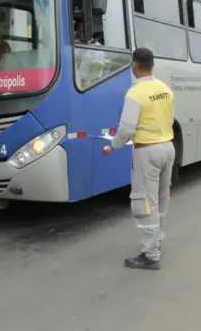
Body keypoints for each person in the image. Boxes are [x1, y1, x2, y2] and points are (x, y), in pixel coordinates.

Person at [111, 48, 176, 270]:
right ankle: (157, 241)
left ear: (134, 67)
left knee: (145, 202)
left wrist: (114, 144)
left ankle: (151, 255)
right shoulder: (165, 89)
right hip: (168, 148)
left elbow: (126, 127)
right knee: (160, 199)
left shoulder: (135, 93)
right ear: (152, 65)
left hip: (147, 151)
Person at [74, 19, 105, 88]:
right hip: (74, 83)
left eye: (85, 31)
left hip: (87, 86)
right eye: (81, 31)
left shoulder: (97, 48)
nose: (83, 33)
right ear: (77, 31)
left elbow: (93, 75)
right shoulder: (74, 46)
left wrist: (83, 88)